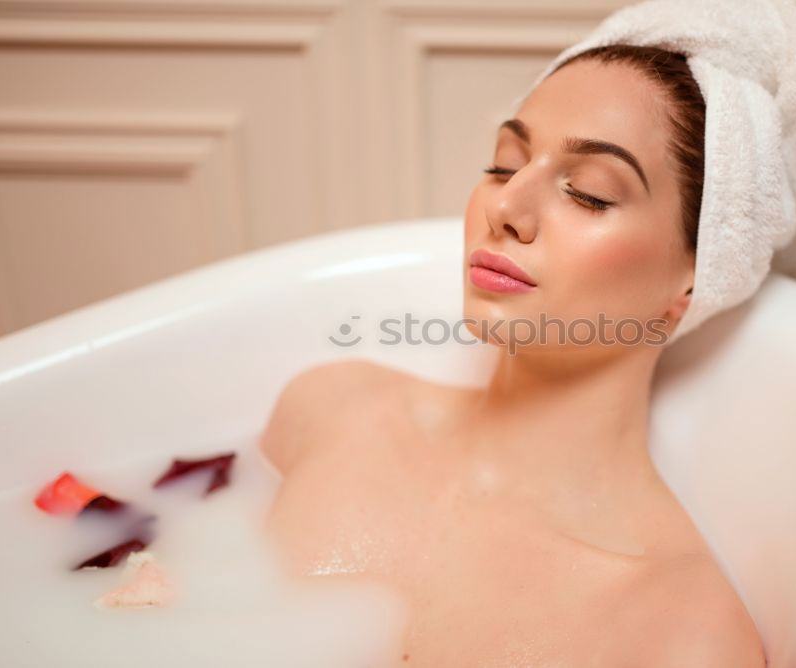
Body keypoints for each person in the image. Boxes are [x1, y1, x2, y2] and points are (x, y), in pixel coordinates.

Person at [259, 44, 768, 667]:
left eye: (588, 194)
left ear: (693, 279)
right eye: (504, 166)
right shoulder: (329, 410)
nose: (505, 208)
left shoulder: (677, 635)